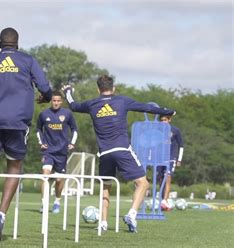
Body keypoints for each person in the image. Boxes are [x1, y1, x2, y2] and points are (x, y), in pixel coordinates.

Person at [62, 75, 175, 233]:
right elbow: (146, 108)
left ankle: (103, 223)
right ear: (113, 88)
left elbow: (74, 106)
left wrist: (67, 91)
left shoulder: (92, 104)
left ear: (98, 89)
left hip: (104, 153)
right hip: (122, 149)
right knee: (143, 183)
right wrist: (168, 111)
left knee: (105, 187)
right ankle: (132, 214)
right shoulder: (122, 101)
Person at [0, 27, 52, 241]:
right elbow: (44, 86)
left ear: (0, 43)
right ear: (17, 43)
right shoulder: (27, 60)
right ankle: (1, 215)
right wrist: (46, 97)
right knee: (14, 166)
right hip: (18, 121)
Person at [36, 91, 78, 214]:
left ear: (62, 101)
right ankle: (44, 203)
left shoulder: (67, 114)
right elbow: (38, 129)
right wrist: (41, 142)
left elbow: (74, 129)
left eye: (58, 101)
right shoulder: (44, 114)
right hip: (48, 151)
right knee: (45, 175)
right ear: (51, 101)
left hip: (62, 152)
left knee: (59, 180)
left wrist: (72, 143)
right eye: (54, 100)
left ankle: (57, 201)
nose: (56, 103)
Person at [158, 115, 184, 210]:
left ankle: (165, 200)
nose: (163, 122)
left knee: (167, 177)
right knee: (160, 179)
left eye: (165, 120)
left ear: (169, 120)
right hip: (160, 158)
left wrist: (179, 159)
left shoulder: (175, 130)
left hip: (171, 157)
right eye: (161, 120)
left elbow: (181, 145)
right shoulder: (157, 130)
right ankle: (162, 200)